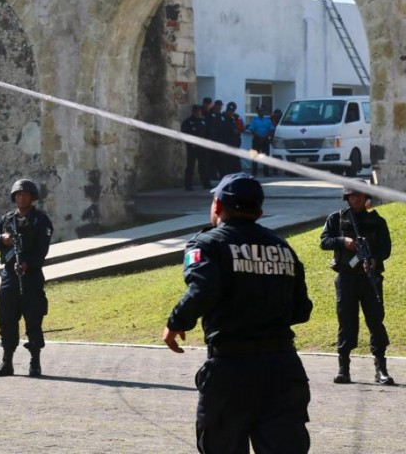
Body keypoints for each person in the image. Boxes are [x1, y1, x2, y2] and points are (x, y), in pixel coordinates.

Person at [163, 172, 312, 454]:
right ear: (260, 210)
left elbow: (203, 289)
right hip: (283, 368)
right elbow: (301, 310)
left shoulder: (208, 244)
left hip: (232, 369)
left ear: (217, 206)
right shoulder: (282, 247)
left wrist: (176, 323)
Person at [319, 181, 394, 385]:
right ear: (347, 197)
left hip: (370, 278)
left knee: (375, 321)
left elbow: (386, 248)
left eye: (360, 196)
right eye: (352, 196)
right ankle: (344, 369)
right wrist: (343, 241)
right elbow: (324, 241)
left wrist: (374, 259)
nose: (356, 199)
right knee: (347, 322)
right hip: (346, 278)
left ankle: (381, 369)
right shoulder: (336, 219)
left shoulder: (377, 221)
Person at [0, 179, 54, 378]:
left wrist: (28, 263)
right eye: (18, 194)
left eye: (25, 194)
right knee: (6, 317)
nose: (21, 197)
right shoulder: (7, 220)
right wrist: (3, 239)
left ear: (32, 197)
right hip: (9, 275)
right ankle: (7, 361)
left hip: (31, 276)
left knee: (33, 318)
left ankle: (35, 362)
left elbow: (42, 249)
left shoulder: (40, 220)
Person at [180, 104, 210, 190]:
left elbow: (207, 133)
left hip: (202, 146)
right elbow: (184, 134)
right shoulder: (188, 122)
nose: (198, 113)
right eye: (196, 111)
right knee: (191, 165)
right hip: (192, 147)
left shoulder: (203, 121)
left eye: (199, 111)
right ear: (193, 112)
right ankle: (188, 185)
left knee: (204, 165)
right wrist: (189, 143)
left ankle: (206, 183)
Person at [247, 105, 274, 176]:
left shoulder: (268, 120)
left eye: (262, 110)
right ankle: (254, 172)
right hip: (256, 139)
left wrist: (265, 136)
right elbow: (251, 130)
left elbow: (271, 129)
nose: (261, 112)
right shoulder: (254, 120)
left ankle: (266, 172)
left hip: (265, 139)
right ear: (257, 112)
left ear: (264, 111)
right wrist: (259, 137)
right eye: (259, 111)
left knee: (266, 156)